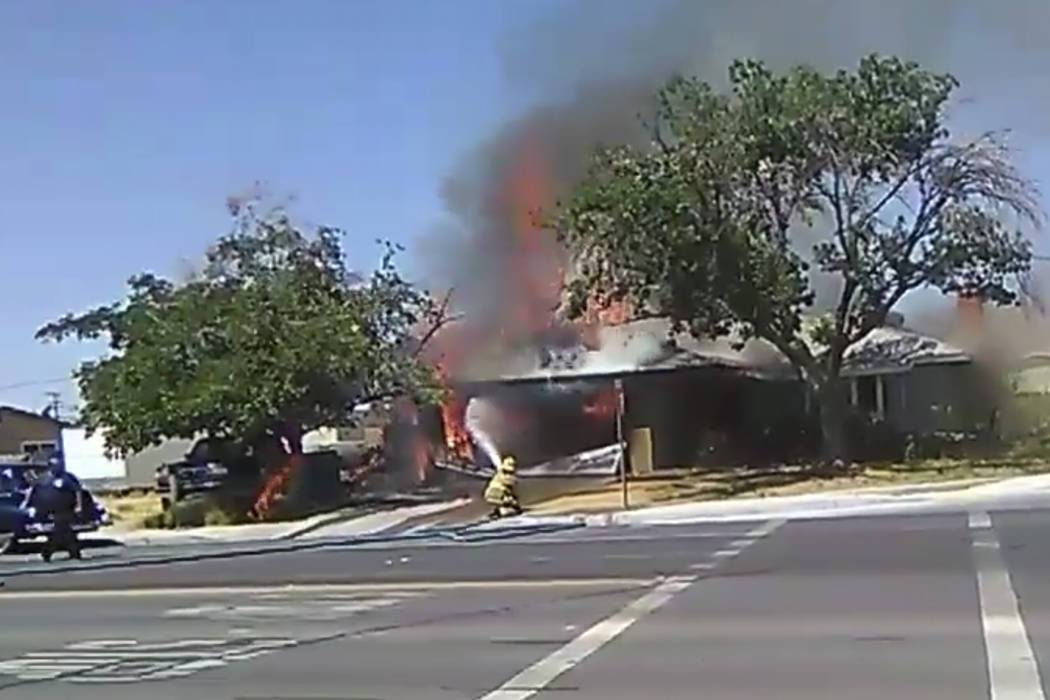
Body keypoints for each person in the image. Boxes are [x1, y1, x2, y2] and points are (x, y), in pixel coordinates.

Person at [27, 453, 83, 562]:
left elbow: (77, 491)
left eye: (58, 465)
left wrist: (78, 505)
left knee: (62, 531)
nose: (56, 467)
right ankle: (70, 552)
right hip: (50, 510)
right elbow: (35, 491)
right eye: (53, 465)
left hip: (65, 509)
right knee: (64, 532)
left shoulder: (67, 478)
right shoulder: (44, 478)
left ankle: (66, 552)